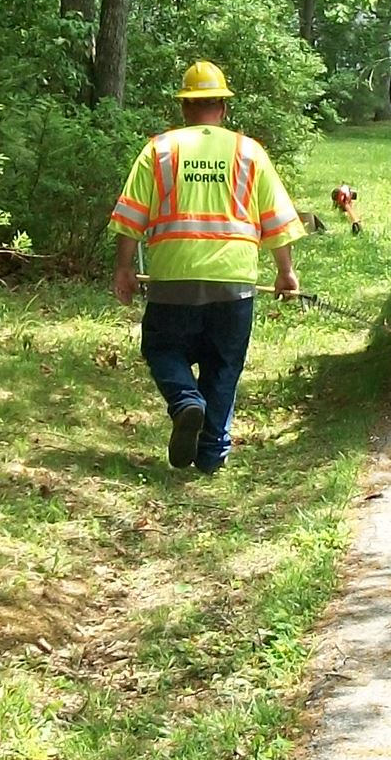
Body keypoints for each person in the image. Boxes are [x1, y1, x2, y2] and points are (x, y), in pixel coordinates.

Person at [109, 61, 303, 474]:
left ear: (184, 108)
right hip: (234, 283)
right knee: (223, 365)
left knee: (162, 347)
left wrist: (124, 268)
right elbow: (276, 220)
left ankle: (185, 403)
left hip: (173, 279)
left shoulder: (160, 150)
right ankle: (212, 453)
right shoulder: (249, 152)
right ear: (224, 107)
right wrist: (285, 272)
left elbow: (130, 216)